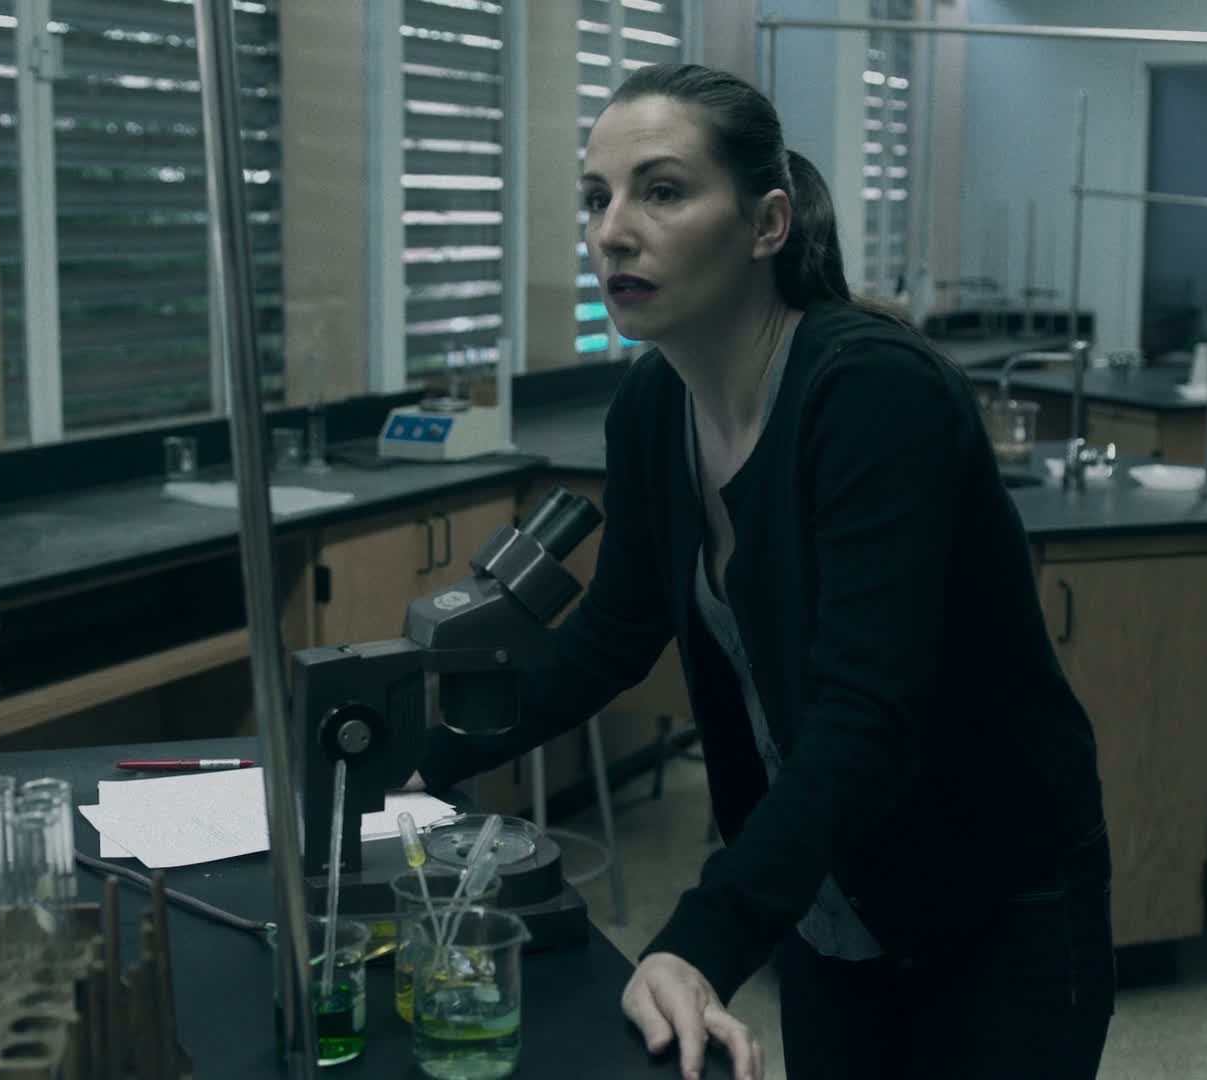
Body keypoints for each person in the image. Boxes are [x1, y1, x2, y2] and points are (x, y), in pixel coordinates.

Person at [412, 63, 1115, 1079]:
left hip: (993, 893)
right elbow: (611, 637)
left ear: (767, 222)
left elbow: (867, 712)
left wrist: (700, 940)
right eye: (597, 197)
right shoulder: (654, 407)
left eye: (662, 191)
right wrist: (423, 758)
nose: (613, 231)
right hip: (826, 883)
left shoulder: (872, 393)